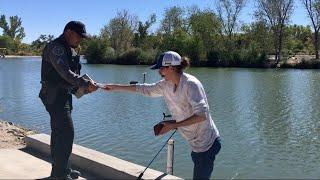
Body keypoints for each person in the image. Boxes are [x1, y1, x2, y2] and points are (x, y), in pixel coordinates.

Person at [104, 51, 221, 179]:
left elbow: (201, 115)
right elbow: (145, 89)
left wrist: (173, 125)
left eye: (161, 69)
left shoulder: (190, 84)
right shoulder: (166, 85)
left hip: (207, 144)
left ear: (171, 67)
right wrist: (115, 87)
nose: (159, 72)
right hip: (195, 145)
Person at [39, 21, 98, 179]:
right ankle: (60, 174)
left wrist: (84, 89)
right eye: (79, 36)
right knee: (66, 133)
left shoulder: (69, 49)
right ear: (69, 32)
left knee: (59, 133)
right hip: (53, 96)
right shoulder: (55, 47)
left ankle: (60, 169)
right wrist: (85, 84)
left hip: (63, 96)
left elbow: (69, 78)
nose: (80, 40)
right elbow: (65, 73)